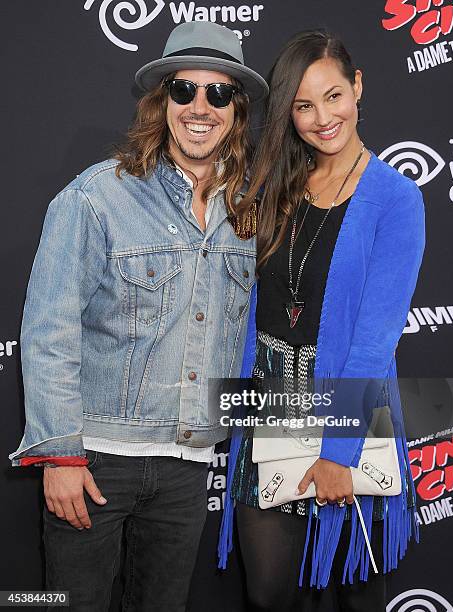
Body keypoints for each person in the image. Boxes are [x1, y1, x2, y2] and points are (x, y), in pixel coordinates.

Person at [9, 21, 267, 612]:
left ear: (237, 110)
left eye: (219, 93)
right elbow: (48, 333)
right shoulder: (96, 198)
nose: (200, 107)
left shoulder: (250, 212)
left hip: (187, 465)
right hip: (96, 458)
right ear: (162, 101)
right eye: (184, 90)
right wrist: (61, 454)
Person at [219, 30, 425, 611]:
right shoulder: (273, 187)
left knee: (357, 592)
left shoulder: (395, 198)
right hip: (271, 401)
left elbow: (374, 339)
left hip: (350, 406)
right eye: (303, 106)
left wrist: (339, 450)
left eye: (333, 96)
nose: (321, 118)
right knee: (266, 592)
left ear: (357, 87)